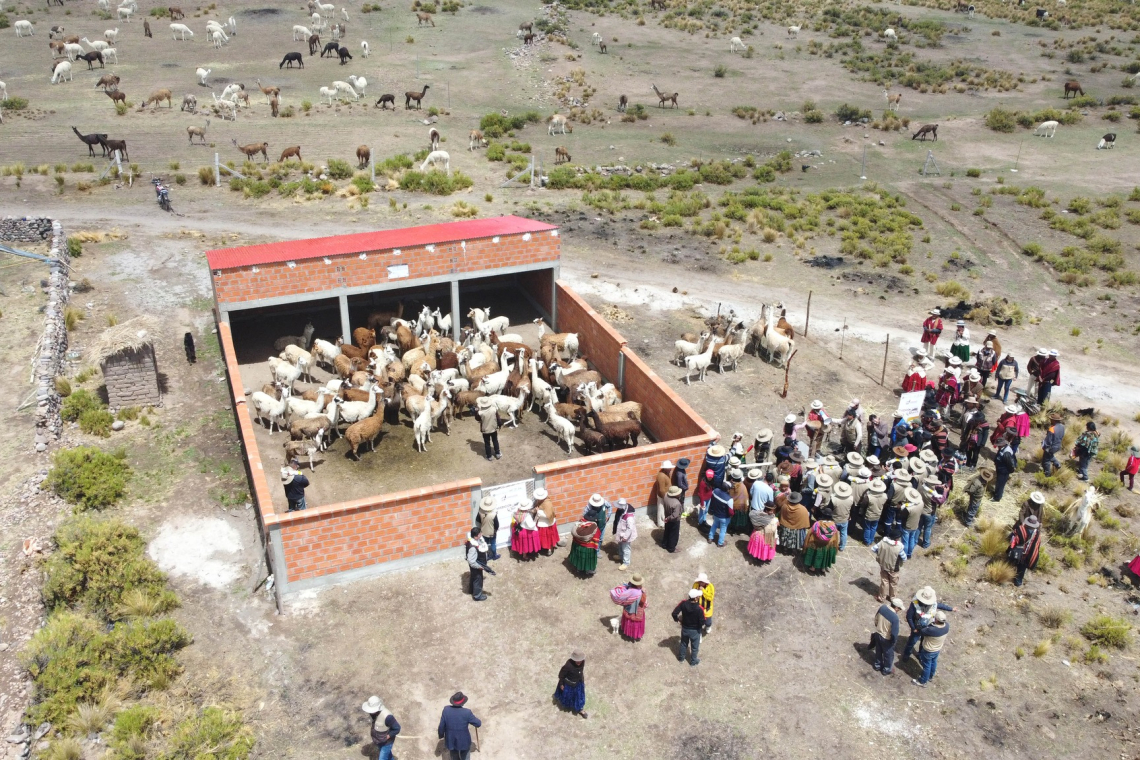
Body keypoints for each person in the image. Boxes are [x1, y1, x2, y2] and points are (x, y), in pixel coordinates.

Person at [900, 587, 956, 662]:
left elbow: (941, 606)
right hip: (917, 628)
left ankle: (920, 654)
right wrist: (913, 628)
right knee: (912, 642)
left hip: (928, 628)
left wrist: (951, 609)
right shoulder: (915, 604)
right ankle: (906, 655)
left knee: (924, 643)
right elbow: (909, 617)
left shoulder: (933, 604)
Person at [438, 692, 482, 760]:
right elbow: (478, 724)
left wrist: (441, 735)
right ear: (463, 702)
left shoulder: (446, 710)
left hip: (451, 739)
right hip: (463, 740)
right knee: (465, 755)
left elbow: (441, 726)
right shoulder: (467, 712)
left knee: (454, 755)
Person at [912, 611, 950, 688]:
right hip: (937, 648)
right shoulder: (947, 626)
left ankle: (922, 681)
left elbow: (922, 631)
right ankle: (930, 677)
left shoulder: (932, 630)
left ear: (936, 620)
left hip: (929, 650)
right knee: (933, 662)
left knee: (927, 665)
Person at [869, 597, 905, 675]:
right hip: (887, 639)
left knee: (878, 650)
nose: (899, 610)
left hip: (878, 634)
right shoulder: (895, 618)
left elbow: (876, 619)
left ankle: (877, 665)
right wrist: (893, 641)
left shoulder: (882, 608)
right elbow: (894, 633)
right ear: (896, 607)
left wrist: (878, 627)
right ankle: (886, 669)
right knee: (888, 655)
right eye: (899, 609)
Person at [873, 527, 907, 602]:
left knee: (884, 582)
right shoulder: (899, 546)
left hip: (883, 566)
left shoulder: (882, 542)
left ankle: (882, 597)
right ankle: (893, 598)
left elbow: (873, 548)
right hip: (894, 569)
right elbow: (904, 558)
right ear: (897, 538)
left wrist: (881, 554)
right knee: (893, 583)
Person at [672, 588, 705, 666]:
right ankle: (693, 662)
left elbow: (674, 613)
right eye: (698, 596)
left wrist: (677, 620)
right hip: (695, 630)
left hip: (685, 629)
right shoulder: (700, 609)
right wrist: (699, 627)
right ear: (696, 598)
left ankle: (681, 658)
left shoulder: (683, 603)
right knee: (694, 647)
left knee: (683, 643)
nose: (700, 597)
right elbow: (702, 622)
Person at [362, 696, 401, 760]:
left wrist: (388, 736)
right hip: (379, 741)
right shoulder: (374, 714)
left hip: (387, 743)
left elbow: (397, 728)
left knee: (383, 758)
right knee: (388, 754)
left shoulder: (388, 717)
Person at [1009, 515, 1043, 587]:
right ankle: (1018, 582)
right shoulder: (1037, 534)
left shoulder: (1020, 529)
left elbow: (1013, 539)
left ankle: (1007, 575)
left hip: (1017, 552)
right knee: (1022, 569)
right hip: (1027, 556)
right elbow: (1037, 545)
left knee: (1012, 563)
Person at [554, 651, 588, 719]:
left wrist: (582, 680)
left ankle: (580, 709)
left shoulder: (583, 662)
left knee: (579, 697)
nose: (579, 662)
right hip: (569, 685)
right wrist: (561, 684)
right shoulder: (568, 665)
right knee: (568, 697)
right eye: (577, 660)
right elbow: (561, 675)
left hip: (578, 683)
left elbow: (581, 672)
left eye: (580, 660)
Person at [465, 527, 494, 601]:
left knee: (474, 578)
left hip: (477, 564)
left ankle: (471, 590)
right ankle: (477, 596)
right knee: (478, 579)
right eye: (480, 534)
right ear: (475, 536)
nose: (481, 534)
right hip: (476, 565)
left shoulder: (472, 541)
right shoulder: (473, 548)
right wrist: (479, 567)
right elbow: (471, 561)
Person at [619, 574, 647, 641]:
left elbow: (623, 598)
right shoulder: (642, 591)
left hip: (629, 609)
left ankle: (628, 633)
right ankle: (636, 635)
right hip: (638, 611)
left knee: (629, 620)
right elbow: (644, 602)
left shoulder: (628, 589)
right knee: (636, 623)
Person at [533, 489, 561, 556]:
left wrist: (538, 511)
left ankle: (550, 549)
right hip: (541, 523)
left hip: (547, 524)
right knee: (543, 537)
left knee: (549, 537)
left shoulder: (547, 503)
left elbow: (548, 515)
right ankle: (544, 547)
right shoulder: (539, 501)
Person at [862, 479, 888, 546]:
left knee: (867, 528)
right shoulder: (885, 496)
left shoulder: (869, 497)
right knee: (874, 527)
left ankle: (867, 541)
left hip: (869, 515)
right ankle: (871, 540)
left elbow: (864, 505)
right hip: (878, 514)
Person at [992, 433, 1017, 502]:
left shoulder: (1006, 453)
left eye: (998, 445)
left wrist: (1009, 471)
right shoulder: (1003, 448)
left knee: (1000, 484)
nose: (997, 447)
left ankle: (997, 498)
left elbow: (1009, 464)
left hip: (1003, 471)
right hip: (1000, 470)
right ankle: (997, 494)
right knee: (998, 483)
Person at [1039, 413, 1066, 477]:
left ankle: (1047, 474)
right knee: (1050, 456)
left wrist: (1044, 446)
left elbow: (1048, 441)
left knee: (1046, 460)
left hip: (1051, 447)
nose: (1050, 420)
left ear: (1054, 420)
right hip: (1058, 445)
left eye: (1051, 419)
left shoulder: (1052, 429)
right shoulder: (1062, 427)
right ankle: (1057, 464)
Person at [830, 481, 854, 551]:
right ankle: (842, 547)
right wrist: (850, 516)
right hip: (845, 519)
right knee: (844, 533)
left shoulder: (833, 499)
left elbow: (830, 509)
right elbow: (852, 509)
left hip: (834, 519)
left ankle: (832, 545)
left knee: (833, 533)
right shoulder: (851, 499)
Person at [899, 488, 923, 558]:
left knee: (905, 542)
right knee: (911, 539)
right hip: (915, 525)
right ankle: (909, 554)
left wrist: (902, 508)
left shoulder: (907, 509)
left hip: (907, 526)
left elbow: (901, 516)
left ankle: (904, 555)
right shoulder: (921, 503)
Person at [476, 396, 501, 461]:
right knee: (495, 441)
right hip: (493, 428)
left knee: (487, 443)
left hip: (485, 430)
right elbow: (498, 418)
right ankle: (497, 453)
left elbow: (477, 418)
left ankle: (489, 456)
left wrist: (476, 411)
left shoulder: (480, 412)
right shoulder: (494, 409)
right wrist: (499, 424)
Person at [727, 469, 751, 535]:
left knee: (733, 519)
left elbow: (730, 495)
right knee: (738, 519)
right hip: (742, 505)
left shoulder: (731, 486)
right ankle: (738, 529)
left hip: (733, 505)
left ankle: (732, 529)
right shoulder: (743, 486)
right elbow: (746, 496)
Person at [615, 501, 638, 570]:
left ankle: (626, 563)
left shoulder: (629, 517)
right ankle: (621, 556)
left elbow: (630, 528)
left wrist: (625, 537)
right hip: (621, 534)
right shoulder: (624, 511)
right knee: (620, 545)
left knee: (626, 549)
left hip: (626, 536)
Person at [661, 485, 684, 553]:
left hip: (667, 516)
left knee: (667, 531)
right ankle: (671, 548)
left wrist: (666, 518)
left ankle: (664, 544)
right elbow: (675, 515)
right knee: (673, 534)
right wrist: (668, 518)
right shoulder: (677, 504)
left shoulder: (665, 495)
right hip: (673, 521)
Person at [653, 460, 675, 527]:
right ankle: (660, 523)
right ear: (665, 468)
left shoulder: (666, 473)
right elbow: (661, 489)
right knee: (661, 509)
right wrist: (665, 498)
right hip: (662, 496)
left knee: (664, 509)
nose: (670, 469)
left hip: (666, 495)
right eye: (669, 468)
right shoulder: (661, 476)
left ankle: (664, 521)